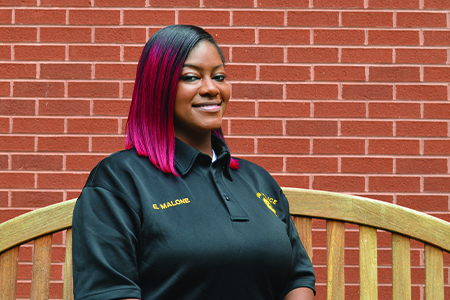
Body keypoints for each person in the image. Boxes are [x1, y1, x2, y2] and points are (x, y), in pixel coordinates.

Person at [72, 24, 315, 300]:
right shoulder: (119, 181)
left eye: (219, 76)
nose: (211, 89)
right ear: (158, 87)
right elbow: (109, 291)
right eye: (191, 77)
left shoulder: (258, 180)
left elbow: (298, 276)